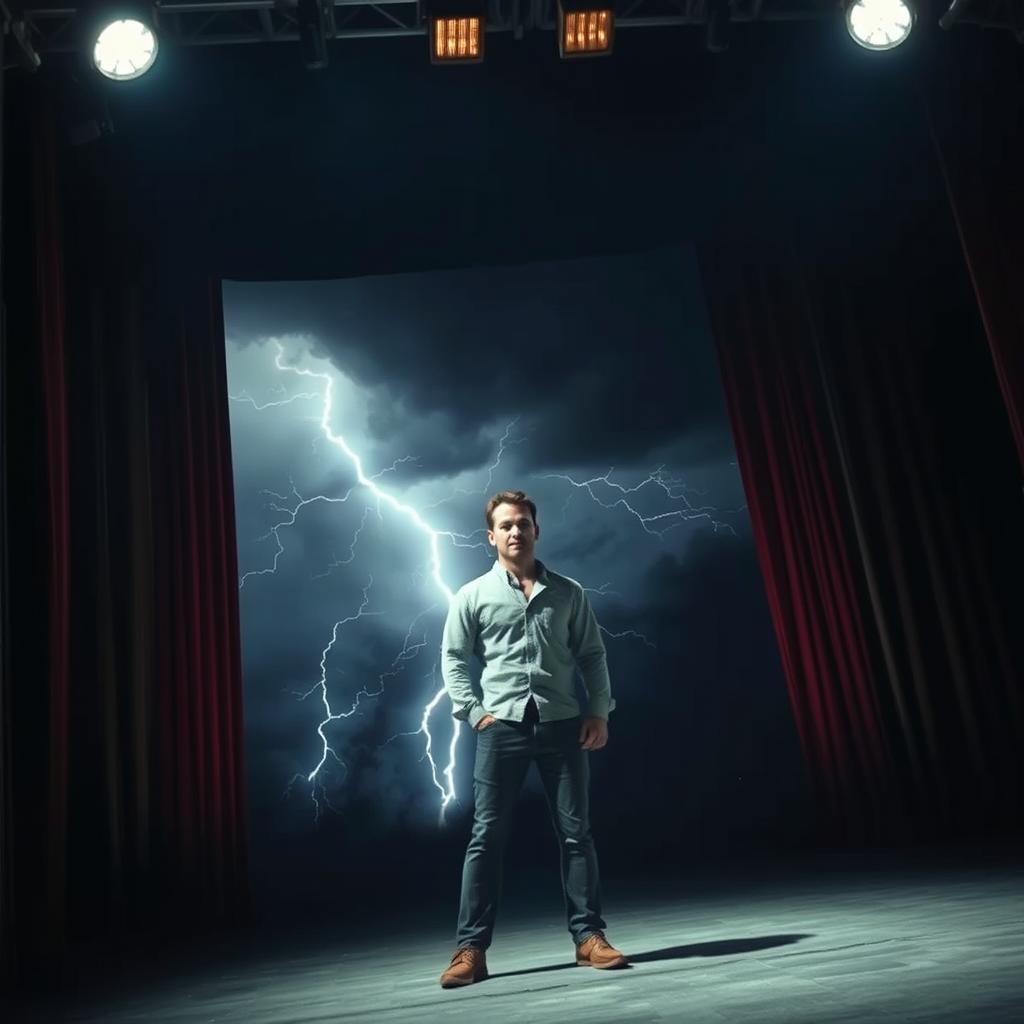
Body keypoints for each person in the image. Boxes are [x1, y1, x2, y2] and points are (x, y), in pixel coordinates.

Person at [438, 489, 627, 988]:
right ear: (491, 536)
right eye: (506, 525)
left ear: (536, 530)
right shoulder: (472, 596)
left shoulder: (568, 592)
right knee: (486, 838)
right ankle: (470, 950)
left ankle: (589, 938)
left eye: (523, 523)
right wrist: (474, 712)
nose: (515, 531)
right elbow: (455, 659)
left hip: (562, 723)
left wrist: (599, 712)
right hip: (500, 728)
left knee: (576, 834)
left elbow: (592, 656)